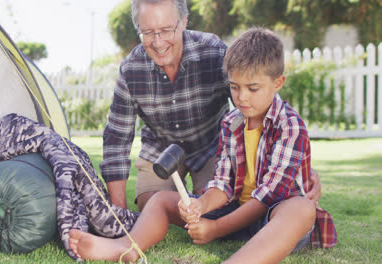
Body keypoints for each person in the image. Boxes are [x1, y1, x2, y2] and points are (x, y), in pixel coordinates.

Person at [68, 27, 337, 263]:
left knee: (301, 208)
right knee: (162, 200)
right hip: (235, 211)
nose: (242, 97)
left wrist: (216, 228)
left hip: (273, 219)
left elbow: (264, 200)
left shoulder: (289, 125)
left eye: (253, 88)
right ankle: (127, 247)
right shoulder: (232, 122)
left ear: (278, 83)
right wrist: (202, 206)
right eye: (234, 87)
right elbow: (222, 184)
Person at [100, 0, 322, 211]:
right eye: (148, 32)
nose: (158, 42)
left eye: (167, 30)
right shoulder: (130, 69)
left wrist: (299, 168)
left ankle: (199, 206)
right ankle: (177, 204)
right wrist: (118, 211)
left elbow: (260, 103)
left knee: (215, 204)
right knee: (152, 203)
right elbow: (116, 140)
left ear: (184, 21)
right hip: (160, 150)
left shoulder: (213, 50)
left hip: (211, 148)